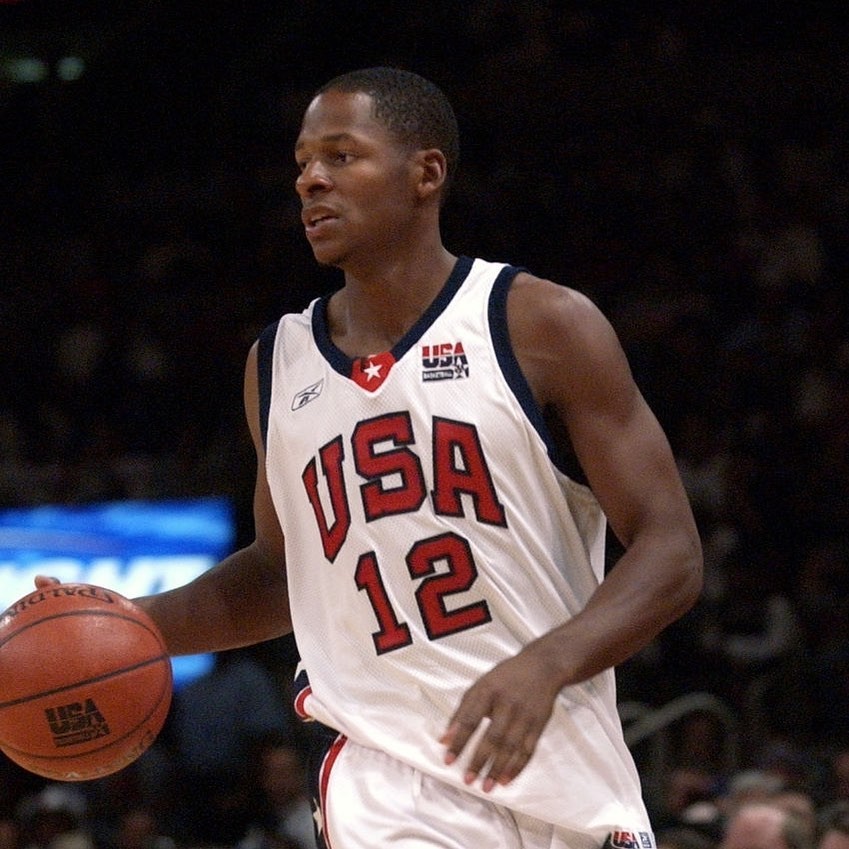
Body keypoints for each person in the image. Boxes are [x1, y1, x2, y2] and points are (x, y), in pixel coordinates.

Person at [38, 66, 702, 848]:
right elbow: (282, 574)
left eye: (341, 155)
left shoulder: (537, 324)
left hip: (567, 775)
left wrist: (548, 662)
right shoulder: (278, 362)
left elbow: (670, 548)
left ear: (426, 173)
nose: (309, 180)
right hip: (387, 785)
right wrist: (122, 626)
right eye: (301, 164)